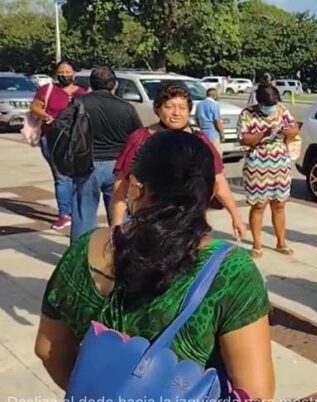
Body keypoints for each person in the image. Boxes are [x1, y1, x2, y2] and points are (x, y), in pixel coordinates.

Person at [34, 131, 275, 399]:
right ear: (209, 193)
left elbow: (47, 348)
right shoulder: (232, 270)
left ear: (136, 186)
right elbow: (256, 392)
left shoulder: (85, 249)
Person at [111, 84, 246, 238]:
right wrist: (116, 225)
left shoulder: (200, 141)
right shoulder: (140, 138)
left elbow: (218, 179)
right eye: (169, 107)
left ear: (189, 111)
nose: (176, 113)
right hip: (148, 221)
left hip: (188, 221)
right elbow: (122, 182)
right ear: (157, 109)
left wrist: (235, 216)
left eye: (182, 108)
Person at [58, 67, 142, 241]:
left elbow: (61, 127)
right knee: (119, 211)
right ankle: (121, 249)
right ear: (115, 85)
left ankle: (81, 252)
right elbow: (137, 137)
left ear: (91, 84)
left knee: (83, 212)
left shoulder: (79, 102)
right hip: (118, 167)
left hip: (87, 163)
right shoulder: (127, 107)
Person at [239, 85, 299, 258]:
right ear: (260, 102)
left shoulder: (281, 110)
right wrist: (263, 134)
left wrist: (288, 131)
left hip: (280, 165)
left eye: (274, 103)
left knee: (279, 204)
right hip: (257, 165)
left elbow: (294, 128)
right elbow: (244, 139)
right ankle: (257, 244)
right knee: (259, 205)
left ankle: (281, 242)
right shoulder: (247, 114)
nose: (271, 107)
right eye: (268, 105)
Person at [29, 59, 88, 230]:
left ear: (74, 73)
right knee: (61, 176)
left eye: (67, 72)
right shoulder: (47, 90)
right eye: (61, 72)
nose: (64, 75)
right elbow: (35, 107)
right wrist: (46, 116)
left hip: (76, 139)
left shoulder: (83, 93)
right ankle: (64, 214)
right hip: (52, 138)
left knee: (77, 176)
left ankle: (76, 211)